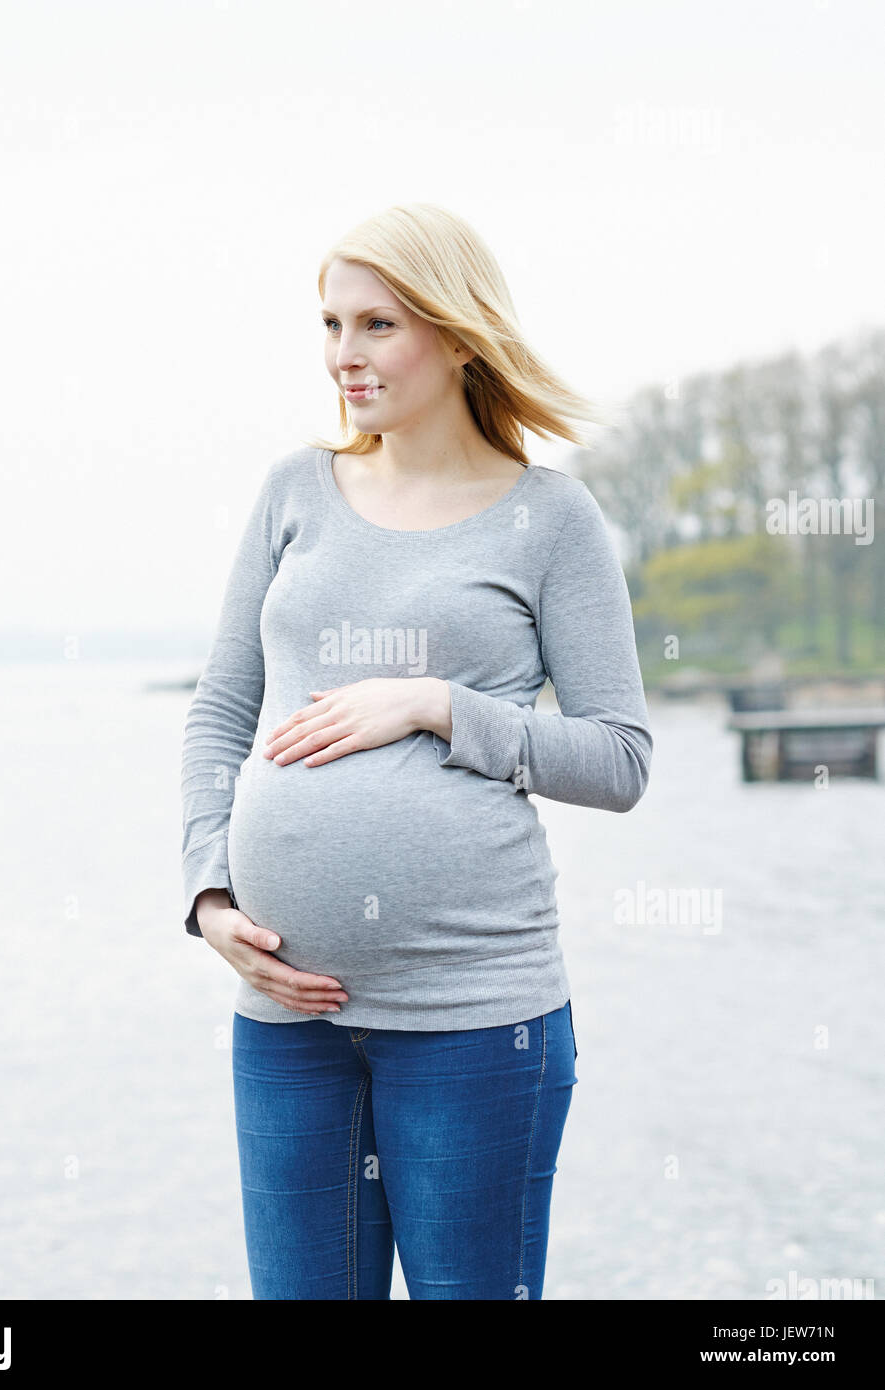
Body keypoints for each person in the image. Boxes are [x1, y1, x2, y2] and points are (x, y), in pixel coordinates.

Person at [180, 202, 653, 1300]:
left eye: (377, 325)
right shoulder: (293, 492)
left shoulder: (550, 519)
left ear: (457, 334)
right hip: (288, 1019)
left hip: (475, 1024)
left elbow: (618, 758)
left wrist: (438, 704)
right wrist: (207, 894)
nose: (343, 355)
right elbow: (219, 711)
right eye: (330, 324)